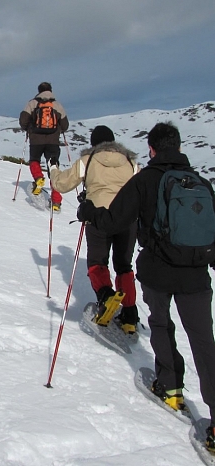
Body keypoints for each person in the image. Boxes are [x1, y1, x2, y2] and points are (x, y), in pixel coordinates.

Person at [77, 122, 215, 452]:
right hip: (197, 276)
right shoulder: (202, 184)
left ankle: (169, 386)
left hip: (159, 270)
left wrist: (89, 211)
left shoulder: (145, 180)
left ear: (151, 149)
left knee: (161, 324)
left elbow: (113, 221)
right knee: (204, 342)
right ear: (179, 147)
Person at [49, 125, 140, 333]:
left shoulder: (88, 160)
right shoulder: (130, 162)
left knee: (97, 262)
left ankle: (106, 296)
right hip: (127, 220)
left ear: (93, 143)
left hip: (98, 217)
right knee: (124, 265)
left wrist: (53, 168)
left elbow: (61, 184)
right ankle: (129, 316)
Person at [19, 82, 69, 211]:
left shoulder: (32, 103)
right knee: (53, 168)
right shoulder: (57, 105)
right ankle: (56, 201)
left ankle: (38, 178)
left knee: (34, 160)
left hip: (36, 140)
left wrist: (28, 129)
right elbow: (65, 126)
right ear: (50, 90)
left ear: (39, 91)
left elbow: (23, 120)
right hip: (53, 141)